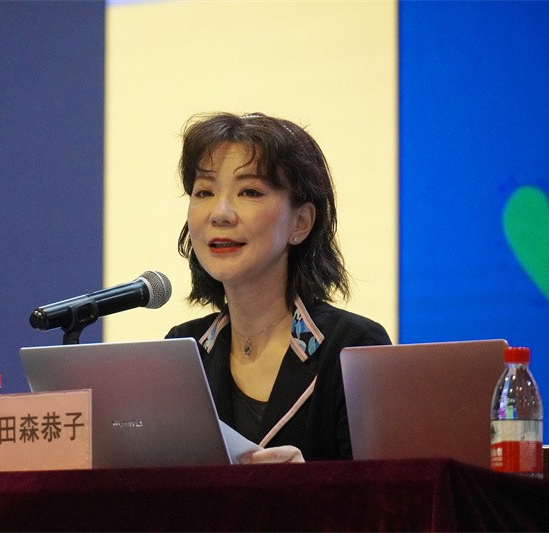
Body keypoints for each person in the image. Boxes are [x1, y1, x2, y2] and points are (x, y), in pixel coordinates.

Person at [165, 112, 391, 464]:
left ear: (300, 223)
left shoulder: (352, 347)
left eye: (250, 192)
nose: (220, 213)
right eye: (204, 192)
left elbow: (388, 492)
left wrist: (308, 485)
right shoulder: (183, 350)